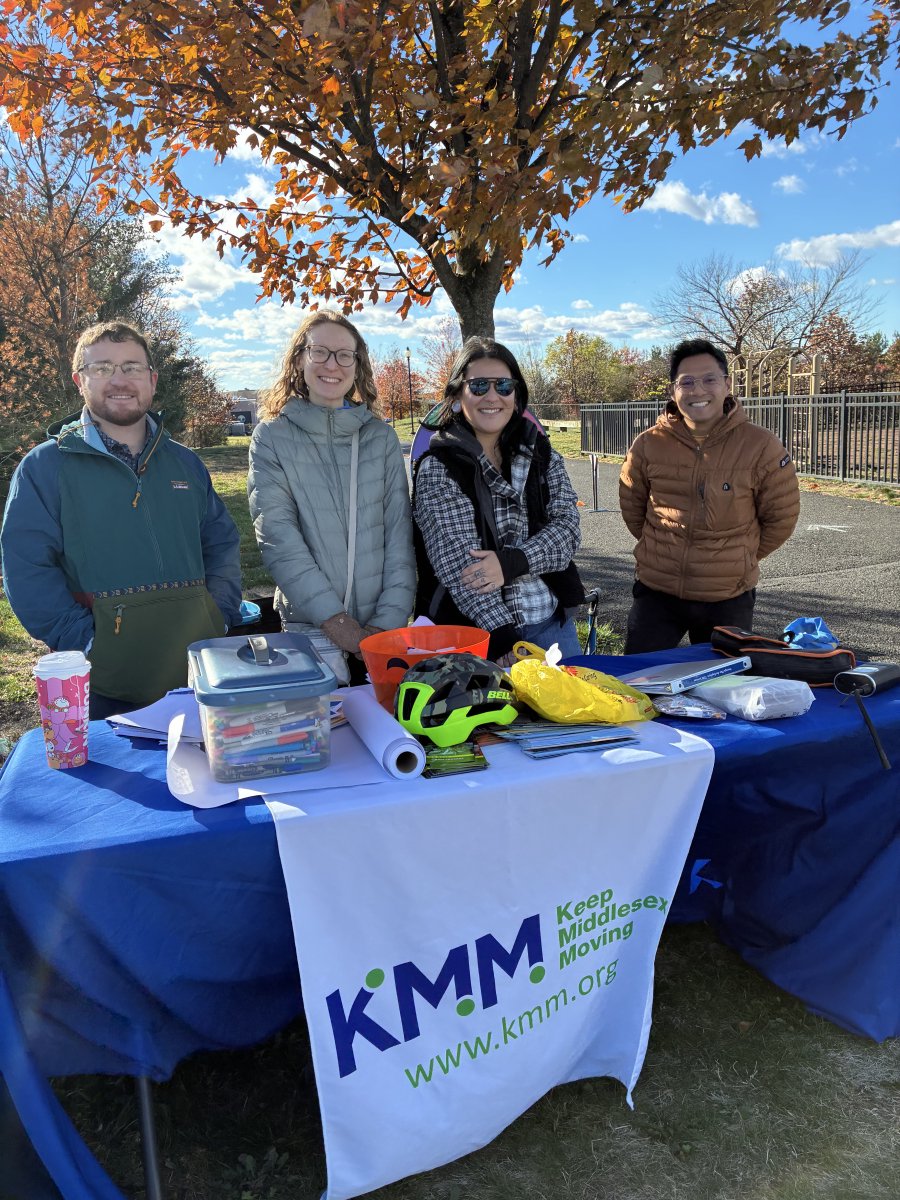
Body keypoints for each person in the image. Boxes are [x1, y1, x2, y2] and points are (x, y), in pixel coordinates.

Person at [1, 321, 242, 718]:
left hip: (199, 671)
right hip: (103, 683)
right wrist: (86, 642)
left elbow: (221, 544)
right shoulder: (45, 467)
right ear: (80, 380)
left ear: (152, 379)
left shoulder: (185, 463)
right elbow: (26, 567)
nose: (119, 380)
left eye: (132, 367)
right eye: (102, 368)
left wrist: (218, 616)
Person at [247, 310, 415, 684]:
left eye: (344, 355)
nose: (332, 365)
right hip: (310, 628)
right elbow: (278, 537)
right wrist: (337, 623)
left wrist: (384, 626)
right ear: (300, 359)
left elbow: (399, 538)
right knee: (318, 737)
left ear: (357, 365)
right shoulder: (272, 437)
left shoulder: (380, 437)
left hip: (382, 633)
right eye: (319, 351)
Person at [618, 337, 800, 654]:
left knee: (724, 691)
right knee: (640, 688)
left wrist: (739, 557)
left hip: (727, 598)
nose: (698, 391)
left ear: (727, 384)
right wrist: (662, 550)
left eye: (709, 380)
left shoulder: (761, 446)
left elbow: (781, 518)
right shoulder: (648, 444)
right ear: (673, 391)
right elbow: (633, 507)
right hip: (657, 593)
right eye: (686, 382)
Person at [413, 336, 584, 662]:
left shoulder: (540, 451)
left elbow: (568, 530)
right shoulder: (438, 468)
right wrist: (504, 640)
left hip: (550, 622)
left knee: (576, 712)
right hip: (480, 634)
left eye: (504, 386)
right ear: (456, 394)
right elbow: (463, 571)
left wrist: (511, 563)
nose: (492, 396)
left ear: (516, 395)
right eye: (478, 386)